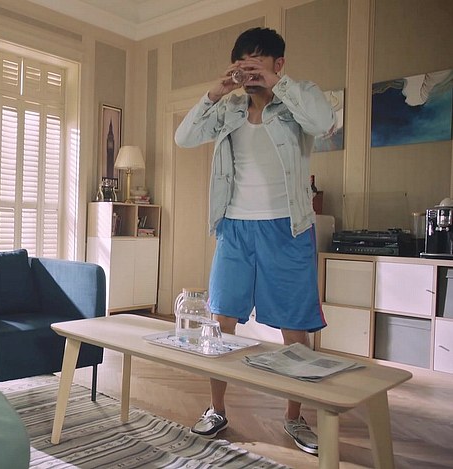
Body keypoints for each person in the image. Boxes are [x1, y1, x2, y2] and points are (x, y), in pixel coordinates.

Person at [174, 27, 336, 455]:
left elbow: (324, 123)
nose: (248, 69)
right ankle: (216, 408)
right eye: (242, 62)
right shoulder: (229, 108)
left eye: (257, 61)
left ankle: (294, 417)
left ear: (278, 63)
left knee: (293, 326)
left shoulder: (297, 98)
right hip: (234, 227)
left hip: (288, 228)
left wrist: (278, 84)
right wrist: (216, 91)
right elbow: (184, 137)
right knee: (220, 320)